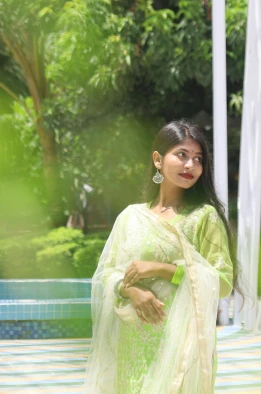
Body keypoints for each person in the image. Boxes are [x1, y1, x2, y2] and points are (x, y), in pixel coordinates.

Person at [84, 119, 237, 394]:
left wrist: (161, 269)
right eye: (182, 155)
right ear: (158, 159)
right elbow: (105, 274)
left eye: (198, 159)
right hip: (132, 345)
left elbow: (222, 281)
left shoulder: (204, 217)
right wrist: (130, 290)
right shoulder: (131, 217)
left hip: (181, 349)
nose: (191, 165)